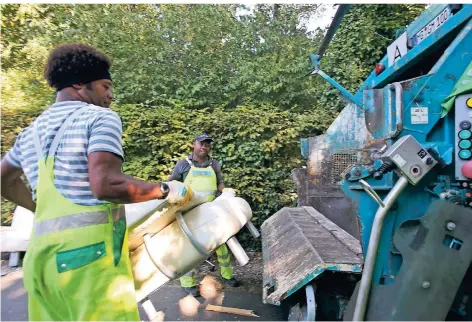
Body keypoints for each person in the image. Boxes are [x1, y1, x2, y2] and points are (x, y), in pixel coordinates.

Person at [0, 43, 192, 321]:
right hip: (87, 262)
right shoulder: (99, 118)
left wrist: (37, 207)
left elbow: (3, 180)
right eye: (105, 86)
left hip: (39, 262)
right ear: (80, 84)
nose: (111, 96)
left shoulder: (31, 132)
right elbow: (105, 185)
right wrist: (166, 189)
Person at [168, 133, 240, 297]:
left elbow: (219, 183)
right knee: (190, 249)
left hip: (211, 211)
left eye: (207, 144)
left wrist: (225, 190)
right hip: (190, 213)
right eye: (201, 143)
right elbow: (172, 184)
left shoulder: (214, 164)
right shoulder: (183, 165)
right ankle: (188, 284)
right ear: (194, 144)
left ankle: (227, 275)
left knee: (222, 244)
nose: (204, 147)